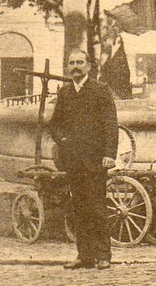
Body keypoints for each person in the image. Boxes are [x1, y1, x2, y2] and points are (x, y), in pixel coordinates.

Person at [49, 49, 119, 269]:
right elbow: (54, 123)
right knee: (78, 207)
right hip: (73, 161)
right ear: (68, 67)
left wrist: (109, 154)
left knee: (97, 207)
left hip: (95, 161)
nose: (76, 67)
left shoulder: (100, 90)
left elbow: (110, 124)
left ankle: (103, 256)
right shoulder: (66, 92)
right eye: (72, 63)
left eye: (80, 62)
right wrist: (63, 139)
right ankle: (84, 255)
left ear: (89, 66)